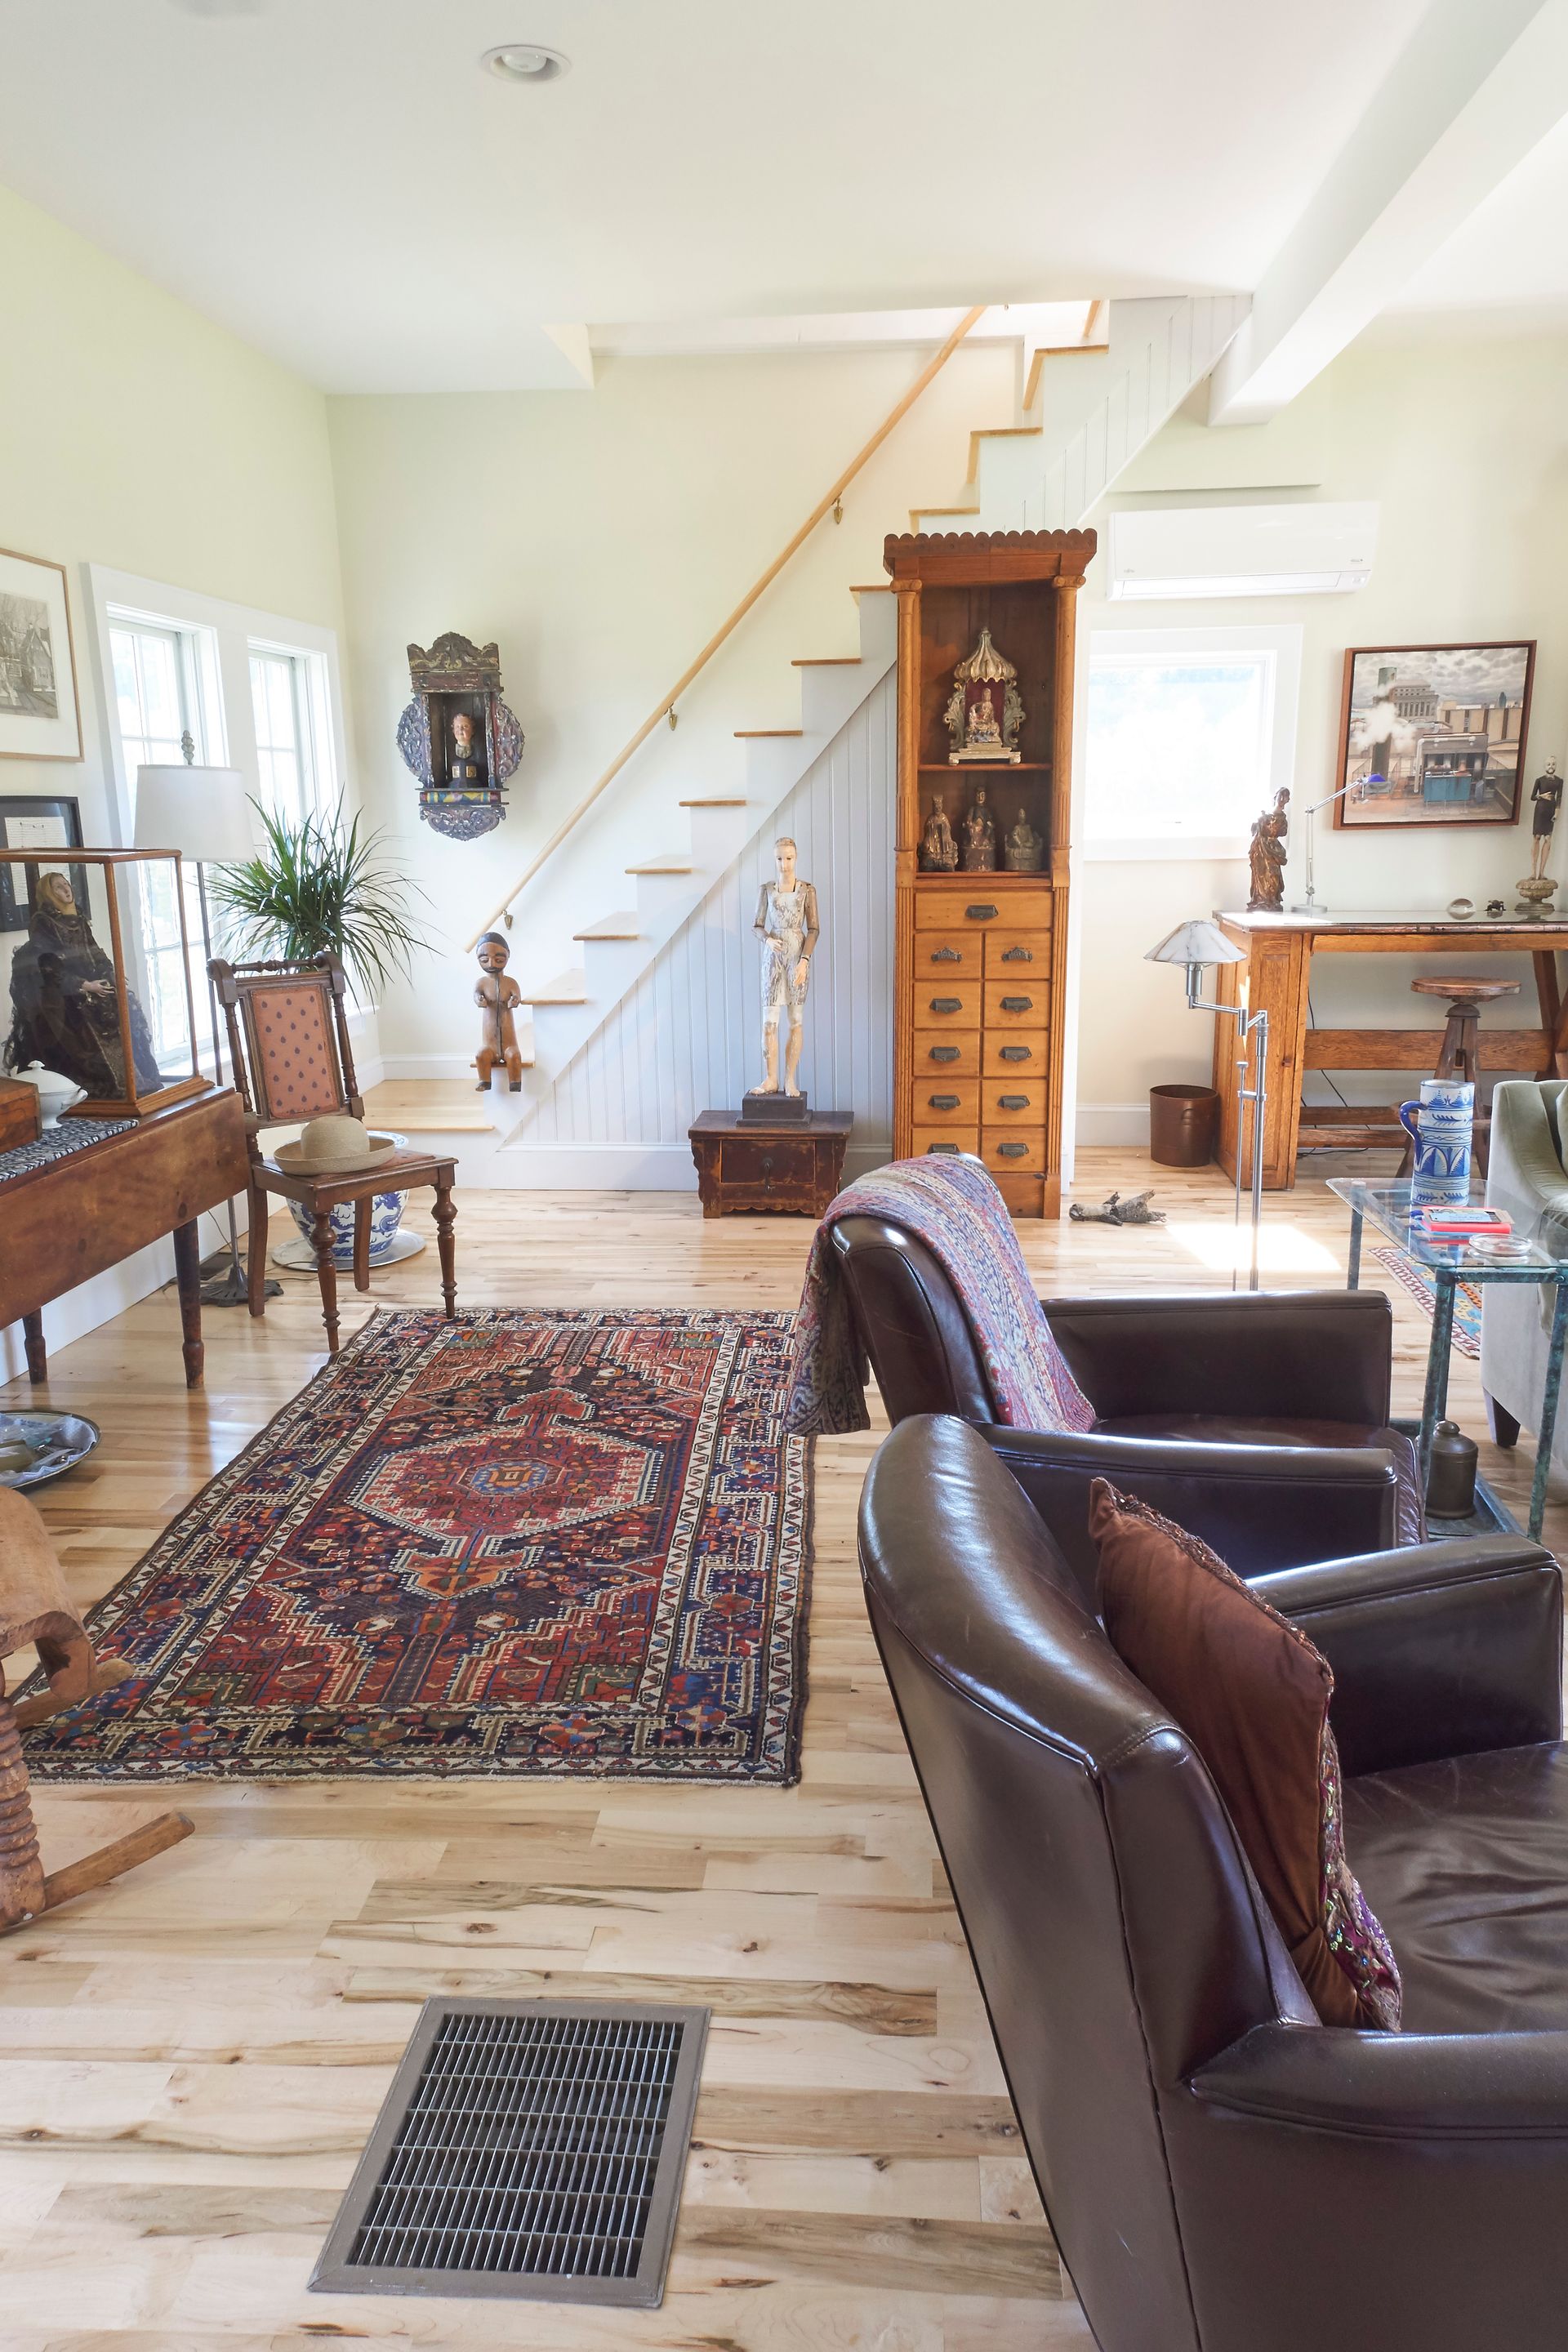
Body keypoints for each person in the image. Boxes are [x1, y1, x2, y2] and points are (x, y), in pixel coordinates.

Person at [4, 869, 163, 1100]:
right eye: (58, 887)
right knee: (86, 1041)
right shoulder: (43, 922)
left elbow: (94, 951)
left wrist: (112, 973)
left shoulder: (77, 917)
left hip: (95, 985)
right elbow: (47, 965)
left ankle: (132, 1083)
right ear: (49, 893)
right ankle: (107, 1090)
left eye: (66, 884)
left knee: (123, 1018)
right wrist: (85, 985)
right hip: (66, 995)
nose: (66, 890)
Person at [752, 838, 819, 1098]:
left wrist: (805, 960)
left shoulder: (807, 891)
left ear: (796, 857)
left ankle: (790, 1079)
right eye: (780, 858)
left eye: (789, 858)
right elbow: (756, 924)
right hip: (773, 957)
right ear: (775, 859)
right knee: (769, 1022)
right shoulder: (766, 889)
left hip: (796, 957)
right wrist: (767, 938)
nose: (784, 864)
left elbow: (813, 928)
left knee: (795, 1021)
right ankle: (771, 1078)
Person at [473, 931, 524, 1091]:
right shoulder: (481, 983)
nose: (491, 964)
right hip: (490, 1044)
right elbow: (476, 996)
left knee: (514, 1056)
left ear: (508, 956)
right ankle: (484, 1081)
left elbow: (517, 997)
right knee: (481, 1055)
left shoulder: (510, 983)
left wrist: (514, 1001)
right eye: (484, 960)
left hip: (509, 1043)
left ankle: (515, 1083)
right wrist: (479, 1000)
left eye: (499, 959)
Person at [1246, 787, 1290, 912]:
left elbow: (1283, 832)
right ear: (1275, 797)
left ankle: (1272, 900)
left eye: (1285, 797)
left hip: (1274, 850)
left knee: (1274, 875)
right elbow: (1256, 830)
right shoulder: (1264, 818)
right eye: (1281, 796)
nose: (1282, 800)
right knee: (1261, 875)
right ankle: (1262, 900)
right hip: (1262, 850)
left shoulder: (1282, 818)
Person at [920, 793, 958, 871]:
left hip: (943, 843)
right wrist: (932, 827)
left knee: (948, 859)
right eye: (936, 806)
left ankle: (943, 860)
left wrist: (943, 827)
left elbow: (948, 829)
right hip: (933, 841)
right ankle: (933, 859)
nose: (937, 808)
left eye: (939, 807)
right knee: (926, 847)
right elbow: (927, 828)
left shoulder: (944, 818)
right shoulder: (931, 818)